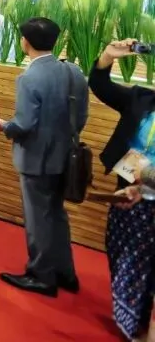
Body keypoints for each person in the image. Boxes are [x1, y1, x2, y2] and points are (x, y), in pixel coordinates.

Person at [0, 17, 87, 297]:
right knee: (57, 215)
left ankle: (41, 275)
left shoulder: (29, 77)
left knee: (38, 219)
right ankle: (65, 273)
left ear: (25, 42)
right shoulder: (73, 71)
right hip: (66, 156)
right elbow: (81, 116)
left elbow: (23, 125)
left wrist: (3, 126)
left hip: (36, 159)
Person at [88, 38, 155, 341]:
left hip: (153, 196)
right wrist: (108, 57)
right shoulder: (142, 99)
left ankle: (141, 317)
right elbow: (101, 86)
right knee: (119, 248)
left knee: (144, 261)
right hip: (127, 189)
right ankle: (134, 311)